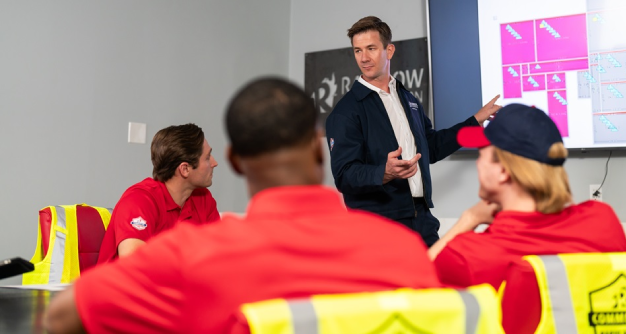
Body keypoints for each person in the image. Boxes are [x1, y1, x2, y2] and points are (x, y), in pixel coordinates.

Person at [44, 77, 440, 334]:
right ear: (320, 156)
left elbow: (61, 317)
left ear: (234, 161)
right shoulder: (402, 250)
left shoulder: (187, 261)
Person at [326, 16, 500, 247]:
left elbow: (432, 147)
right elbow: (344, 177)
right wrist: (383, 172)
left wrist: (475, 122)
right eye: (358, 50)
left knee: (438, 280)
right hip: (379, 225)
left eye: (371, 48)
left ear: (389, 50)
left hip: (421, 218)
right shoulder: (346, 111)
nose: (364, 58)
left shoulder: (407, 99)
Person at [428, 103, 626, 290]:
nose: (478, 163)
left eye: (482, 154)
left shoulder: (469, 255)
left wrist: (469, 219)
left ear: (503, 171)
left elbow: (412, 289)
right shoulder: (603, 222)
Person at [97, 123, 220, 262]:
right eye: (207, 157)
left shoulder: (203, 198)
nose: (214, 162)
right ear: (184, 169)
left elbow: (219, 259)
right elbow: (135, 266)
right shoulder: (139, 200)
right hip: (123, 283)